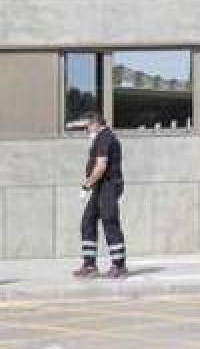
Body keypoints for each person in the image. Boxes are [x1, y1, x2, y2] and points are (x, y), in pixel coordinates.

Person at [73, 113, 127, 279]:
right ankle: (89, 265)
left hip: (108, 185)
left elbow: (101, 165)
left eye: (87, 126)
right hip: (100, 187)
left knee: (109, 221)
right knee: (87, 221)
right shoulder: (100, 139)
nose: (86, 130)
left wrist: (87, 184)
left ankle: (119, 265)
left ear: (95, 123)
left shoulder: (105, 138)